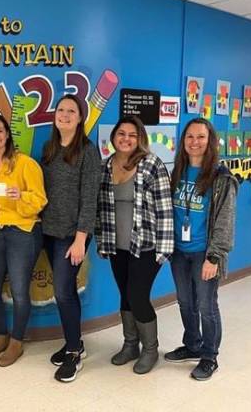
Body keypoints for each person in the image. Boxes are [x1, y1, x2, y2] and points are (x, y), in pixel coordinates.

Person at [95, 116, 174, 374]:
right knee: (125, 296)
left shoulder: (151, 164)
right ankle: (131, 345)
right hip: (117, 245)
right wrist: (101, 241)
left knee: (138, 297)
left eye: (132, 134)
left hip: (147, 245)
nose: (126, 139)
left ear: (140, 138)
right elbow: (99, 208)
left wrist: (164, 250)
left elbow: (164, 209)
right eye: (121, 134)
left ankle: (150, 350)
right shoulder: (105, 166)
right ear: (114, 137)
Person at [165, 118, 238, 381]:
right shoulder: (177, 172)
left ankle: (209, 356)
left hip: (204, 254)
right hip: (179, 252)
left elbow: (225, 221)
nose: (195, 142)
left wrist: (214, 257)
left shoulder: (221, 177)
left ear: (210, 142)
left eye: (201, 137)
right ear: (183, 142)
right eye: (190, 137)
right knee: (186, 302)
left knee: (207, 305)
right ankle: (192, 345)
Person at [0, 115, 47, 367]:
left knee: (18, 290)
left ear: (7, 134)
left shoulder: (26, 164)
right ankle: (0, 335)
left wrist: (20, 196)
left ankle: (16, 341)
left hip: (23, 231)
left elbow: (40, 200)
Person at [41, 94, 101, 382]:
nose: (64, 114)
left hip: (71, 235)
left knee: (63, 292)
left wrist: (80, 239)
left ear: (80, 118)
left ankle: (74, 354)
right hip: (48, 232)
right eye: (61, 110)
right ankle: (74, 342)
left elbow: (90, 199)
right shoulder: (49, 148)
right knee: (65, 291)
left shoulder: (88, 151)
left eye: (71, 111)